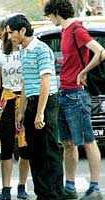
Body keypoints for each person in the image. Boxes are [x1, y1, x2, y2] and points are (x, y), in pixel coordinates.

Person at [43, 1, 103, 199]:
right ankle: (70, 186)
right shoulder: (65, 31)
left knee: (87, 140)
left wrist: (83, 72)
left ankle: (95, 187)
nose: (49, 19)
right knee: (68, 143)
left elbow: (100, 51)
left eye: (49, 15)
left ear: (56, 13)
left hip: (76, 93)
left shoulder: (76, 29)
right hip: (64, 91)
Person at [6, 14, 65, 200]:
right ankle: (42, 193)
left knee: (50, 151)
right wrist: (21, 111)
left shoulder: (41, 49)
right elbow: (26, 83)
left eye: (11, 33)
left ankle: (55, 194)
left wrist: (40, 113)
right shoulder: (22, 51)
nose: (9, 37)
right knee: (35, 152)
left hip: (46, 103)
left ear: (22, 30)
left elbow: (45, 82)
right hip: (31, 102)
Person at [0, 22, 30, 200]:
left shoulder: (27, 52)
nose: (12, 36)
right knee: (6, 147)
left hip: (25, 101)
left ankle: (22, 186)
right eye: (8, 33)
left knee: (25, 147)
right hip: (7, 101)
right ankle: (6, 189)